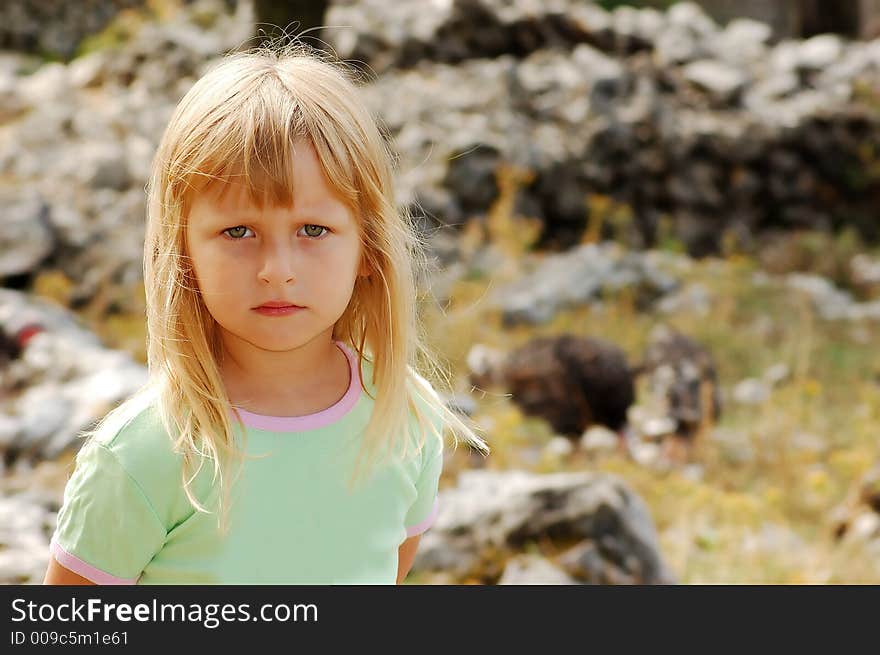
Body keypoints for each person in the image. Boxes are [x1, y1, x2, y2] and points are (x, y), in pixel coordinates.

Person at [42, 41, 489, 585]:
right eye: (238, 231)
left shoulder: (404, 416)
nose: (277, 269)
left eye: (313, 230)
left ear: (369, 249)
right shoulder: (147, 452)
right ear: (183, 254)